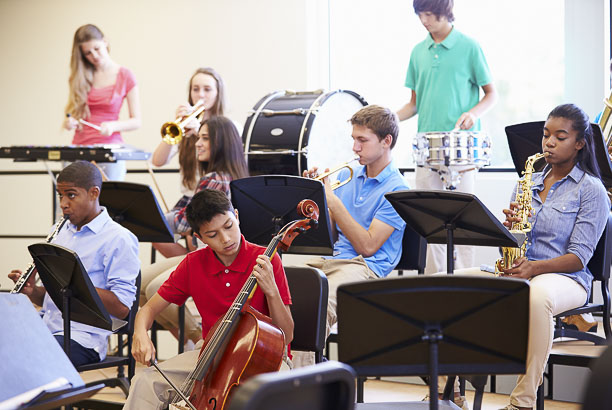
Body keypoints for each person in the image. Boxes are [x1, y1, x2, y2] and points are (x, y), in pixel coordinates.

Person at [460, 104, 610, 410]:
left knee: (537, 296)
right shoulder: (527, 183)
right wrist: (508, 233)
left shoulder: (591, 190)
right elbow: (511, 249)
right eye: (545, 136)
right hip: (524, 272)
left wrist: (533, 269)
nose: (549, 143)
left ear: (579, 143)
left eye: (560, 136)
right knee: (447, 284)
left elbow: (579, 258)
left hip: (566, 278)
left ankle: (522, 402)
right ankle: (445, 391)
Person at [123, 189, 293, 409]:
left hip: (266, 359)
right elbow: (147, 310)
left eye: (229, 226)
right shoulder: (193, 264)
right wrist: (140, 334)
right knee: (144, 381)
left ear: (237, 216)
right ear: (199, 237)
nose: (225, 239)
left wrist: (271, 291)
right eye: (212, 235)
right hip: (212, 355)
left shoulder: (266, 260)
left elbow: (287, 335)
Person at [295, 104, 408, 366]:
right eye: (354, 140)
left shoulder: (397, 190)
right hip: (334, 261)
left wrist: (332, 202)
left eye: (362, 140)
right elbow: (331, 235)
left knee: (315, 307)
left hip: (366, 268)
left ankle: (295, 386)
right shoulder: (351, 177)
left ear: (386, 141)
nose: (355, 148)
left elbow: (367, 246)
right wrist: (316, 200)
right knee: (278, 291)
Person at [397, 0, 497, 275]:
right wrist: (390, 118)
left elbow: (491, 94)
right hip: (426, 150)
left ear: (445, 13)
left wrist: (473, 114)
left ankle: (469, 284)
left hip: (461, 150)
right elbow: (414, 103)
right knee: (430, 222)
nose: (424, 20)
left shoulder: (469, 46)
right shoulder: (418, 52)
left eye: (430, 15)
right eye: (420, 14)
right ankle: (434, 286)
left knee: (465, 222)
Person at [8, 161, 140, 366]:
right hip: (47, 328)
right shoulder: (58, 231)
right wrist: (34, 291)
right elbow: (60, 297)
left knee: (29, 359)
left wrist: (78, 286)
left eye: (71, 195)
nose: (63, 203)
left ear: (94, 193)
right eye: (60, 195)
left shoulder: (118, 238)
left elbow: (123, 307)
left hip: (83, 339)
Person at [141, 116, 249, 348]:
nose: (197, 144)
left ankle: (199, 338)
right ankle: (191, 343)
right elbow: (185, 212)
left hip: (213, 256)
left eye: (205, 139)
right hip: (202, 252)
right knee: (139, 284)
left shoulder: (215, 179)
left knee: (151, 288)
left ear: (222, 143)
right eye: (198, 137)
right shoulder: (222, 175)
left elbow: (181, 221)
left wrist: (152, 218)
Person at [151, 67, 227, 237]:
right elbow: (157, 160)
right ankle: (186, 261)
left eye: (207, 89)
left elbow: (224, 163)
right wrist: (176, 126)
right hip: (188, 199)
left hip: (213, 200)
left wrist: (199, 131)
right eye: (195, 89)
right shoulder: (185, 127)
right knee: (154, 231)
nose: (200, 95)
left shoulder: (228, 126)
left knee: (195, 237)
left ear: (217, 93)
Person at [63, 24, 141, 181]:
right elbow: (74, 114)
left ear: (105, 42)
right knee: (72, 201)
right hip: (80, 147)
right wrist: (69, 122)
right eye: (88, 53)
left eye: (97, 49)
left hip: (109, 149)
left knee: (110, 199)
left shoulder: (125, 75)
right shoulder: (79, 77)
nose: (94, 56)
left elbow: (137, 121)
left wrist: (113, 126)